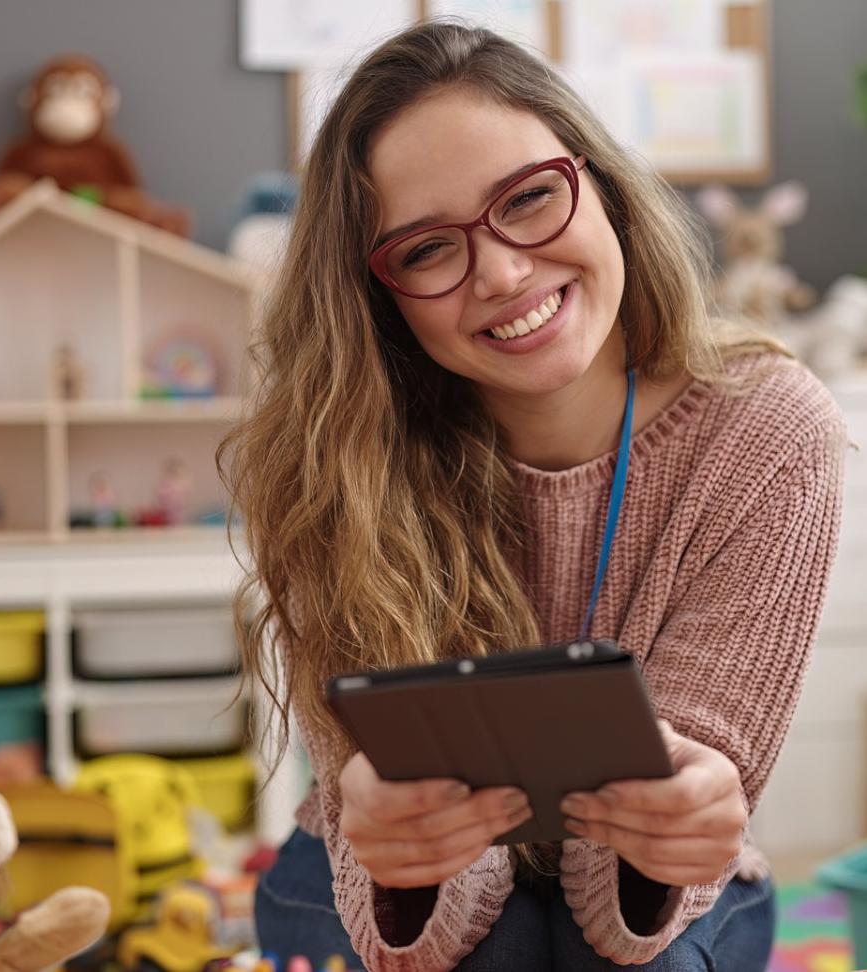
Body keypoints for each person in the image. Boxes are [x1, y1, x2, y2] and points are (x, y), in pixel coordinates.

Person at [217, 21, 846, 972]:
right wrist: (406, 851)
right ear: (375, 295)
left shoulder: (765, 430)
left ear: (599, 183)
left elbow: (663, 843)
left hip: (659, 904)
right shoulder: (328, 465)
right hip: (390, 886)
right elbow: (417, 886)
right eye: (427, 250)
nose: (504, 271)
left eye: (530, 198)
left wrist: (678, 813)